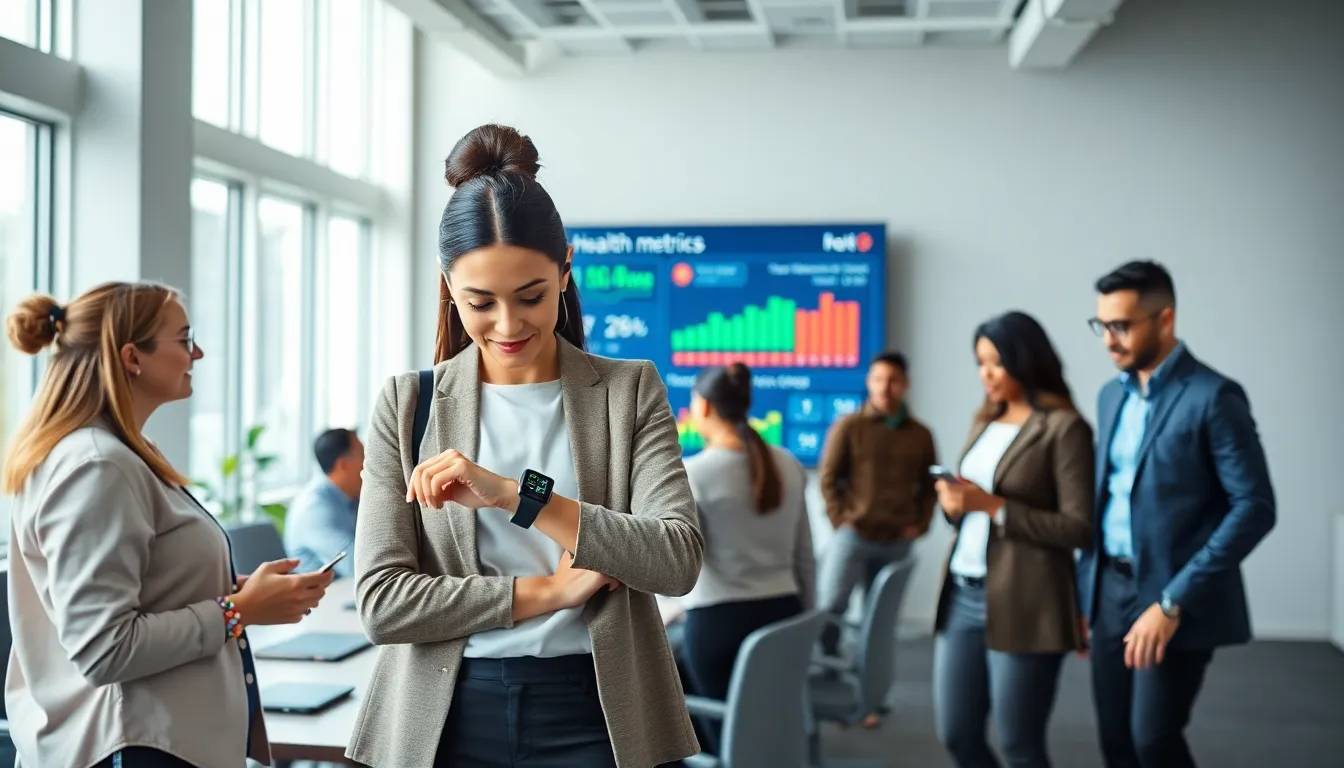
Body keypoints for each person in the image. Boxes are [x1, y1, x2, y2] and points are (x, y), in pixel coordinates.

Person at [346, 124, 704, 768]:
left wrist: (519, 493)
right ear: (448, 285)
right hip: (449, 713)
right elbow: (381, 603)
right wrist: (543, 593)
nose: (508, 326)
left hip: (599, 708)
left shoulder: (628, 391)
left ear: (565, 270)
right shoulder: (407, 405)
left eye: (531, 296)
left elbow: (674, 559)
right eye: (480, 302)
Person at [1, 282, 333, 768]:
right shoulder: (97, 466)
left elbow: (139, 590)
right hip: (133, 746)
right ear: (132, 356)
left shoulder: (122, 455)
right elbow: (104, 649)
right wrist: (236, 611)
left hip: (159, 739)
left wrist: (242, 592)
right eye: (184, 338)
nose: (196, 352)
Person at [1081, 261, 1275, 768]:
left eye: (1120, 326)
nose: (1108, 340)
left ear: (1164, 319)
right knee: (1115, 741)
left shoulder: (1214, 396)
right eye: (1100, 325)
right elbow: (1106, 501)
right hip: (1108, 592)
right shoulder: (1109, 397)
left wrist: (1172, 601)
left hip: (1174, 597)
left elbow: (1254, 507)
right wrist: (1086, 592)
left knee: (1153, 742)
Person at [931, 311, 1093, 768]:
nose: (985, 375)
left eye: (996, 363)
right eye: (980, 362)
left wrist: (992, 506)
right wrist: (954, 504)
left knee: (1020, 743)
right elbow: (971, 511)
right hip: (962, 595)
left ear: (1026, 362)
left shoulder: (1065, 428)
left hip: (1028, 599)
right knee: (957, 734)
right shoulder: (986, 418)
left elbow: (1078, 527)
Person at [677, 362, 814, 755]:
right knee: (764, 729)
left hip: (717, 628)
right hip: (784, 618)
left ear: (702, 407)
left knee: (701, 727)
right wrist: (808, 622)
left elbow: (679, 568)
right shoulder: (787, 462)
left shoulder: (694, 473)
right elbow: (805, 558)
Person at [816, 350, 937, 662]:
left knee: (880, 618)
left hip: (897, 539)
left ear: (905, 384)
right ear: (869, 382)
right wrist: (840, 519)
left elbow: (930, 486)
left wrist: (920, 525)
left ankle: (869, 683)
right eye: (879, 379)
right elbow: (828, 478)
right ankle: (827, 665)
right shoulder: (850, 426)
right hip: (854, 534)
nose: (885, 387)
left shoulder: (920, 434)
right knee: (831, 606)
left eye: (893, 380)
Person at [284, 427, 364, 577]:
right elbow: (358, 565)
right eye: (363, 456)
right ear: (343, 465)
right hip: (325, 596)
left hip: (347, 591)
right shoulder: (313, 508)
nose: (369, 464)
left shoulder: (348, 497)